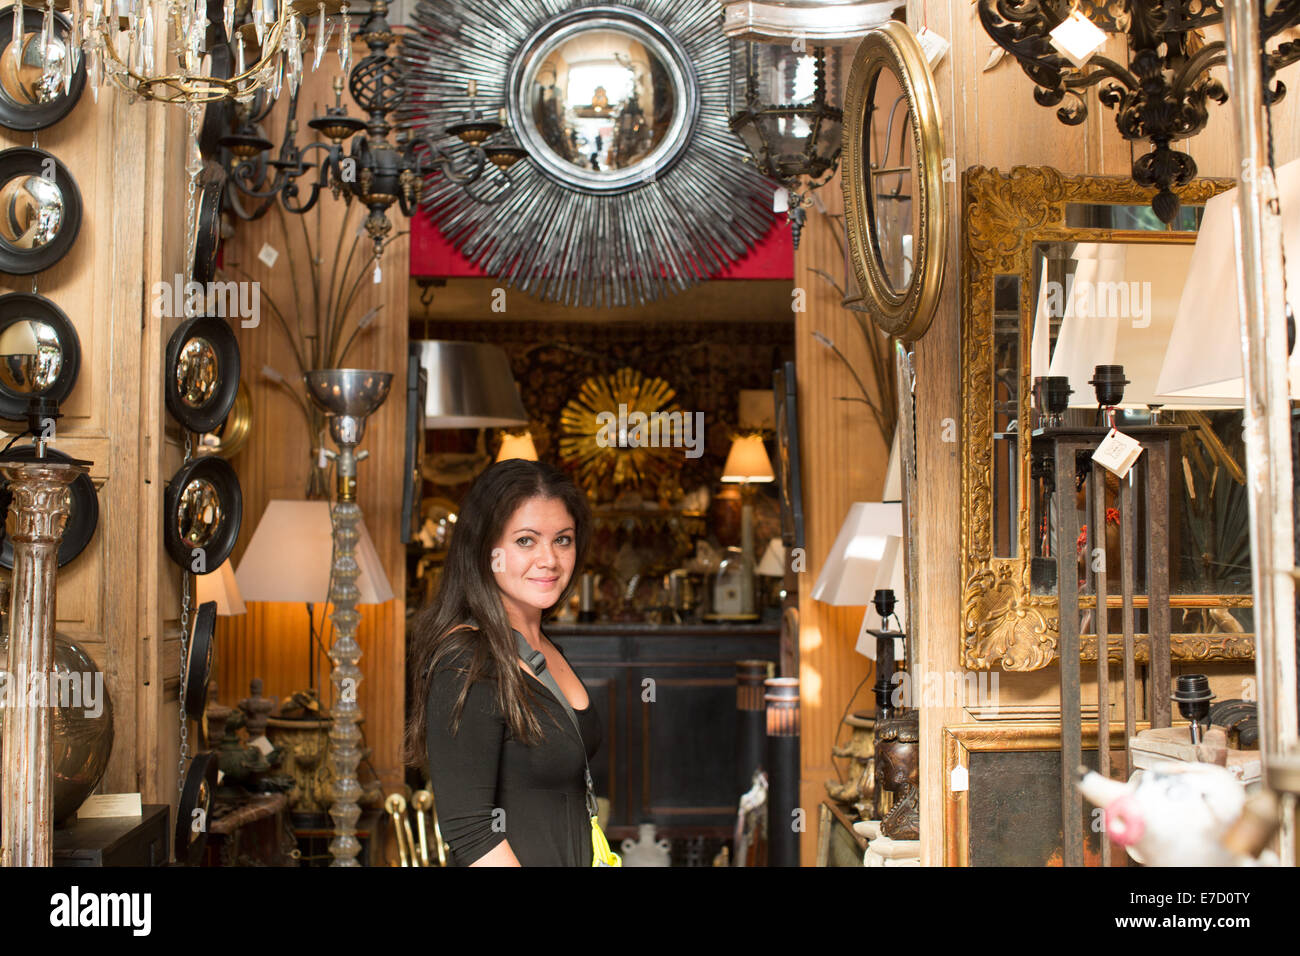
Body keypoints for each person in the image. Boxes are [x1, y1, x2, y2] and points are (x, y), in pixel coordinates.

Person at [403, 458, 600, 866]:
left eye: (562, 540)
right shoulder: (467, 661)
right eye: (526, 540)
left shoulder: (545, 648)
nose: (549, 559)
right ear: (485, 549)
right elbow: (471, 831)